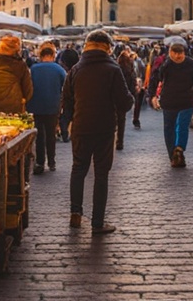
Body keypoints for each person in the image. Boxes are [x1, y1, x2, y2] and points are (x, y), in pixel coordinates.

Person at [60, 30, 133, 234]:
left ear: (87, 46)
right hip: (104, 128)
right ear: (107, 47)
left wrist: (68, 121)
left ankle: (76, 213)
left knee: (78, 169)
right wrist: (131, 99)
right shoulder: (113, 69)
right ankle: (97, 223)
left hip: (81, 126)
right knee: (101, 174)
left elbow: (66, 100)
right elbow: (124, 102)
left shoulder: (75, 69)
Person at [149, 37, 193, 167]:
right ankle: (177, 151)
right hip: (175, 101)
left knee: (175, 127)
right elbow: (155, 78)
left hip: (180, 101)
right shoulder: (170, 64)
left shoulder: (184, 64)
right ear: (170, 53)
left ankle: (176, 152)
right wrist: (152, 96)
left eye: (180, 54)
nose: (178, 56)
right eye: (175, 54)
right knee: (176, 127)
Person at [27, 44, 67, 174]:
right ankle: (51, 162)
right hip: (52, 106)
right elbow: (65, 87)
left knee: (39, 135)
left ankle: (39, 162)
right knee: (51, 134)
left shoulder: (33, 69)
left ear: (41, 55)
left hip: (35, 106)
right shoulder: (59, 69)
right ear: (52, 55)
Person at [115, 49, 138, 151]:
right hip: (124, 97)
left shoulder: (116, 69)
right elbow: (133, 84)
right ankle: (120, 142)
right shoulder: (130, 71)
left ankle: (112, 138)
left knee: (113, 118)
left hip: (115, 97)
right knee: (121, 120)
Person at [57, 44, 80, 142]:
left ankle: (65, 133)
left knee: (66, 116)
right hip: (78, 100)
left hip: (70, 99)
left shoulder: (69, 73)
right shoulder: (79, 70)